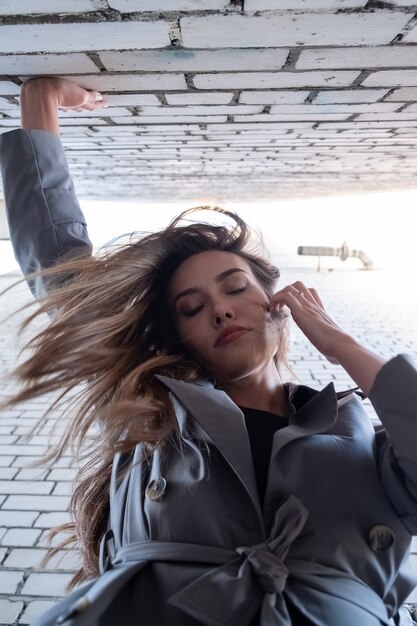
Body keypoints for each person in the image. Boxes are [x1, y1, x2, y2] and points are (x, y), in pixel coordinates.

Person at [0, 77, 416, 626]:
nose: (220, 310)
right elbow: (64, 272)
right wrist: (42, 100)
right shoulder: (150, 409)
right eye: (191, 309)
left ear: (277, 303)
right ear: (178, 339)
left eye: (236, 288)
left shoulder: (358, 430)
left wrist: (341, 344)